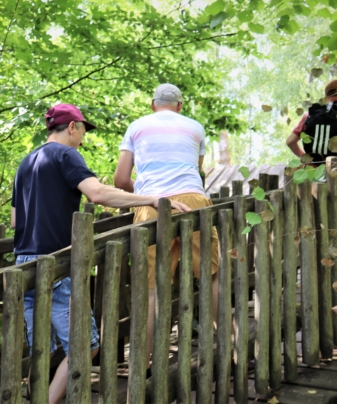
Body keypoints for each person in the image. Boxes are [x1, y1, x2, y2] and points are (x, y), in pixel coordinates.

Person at [11, 103, 191, 404]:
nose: (83, 138)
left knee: (43, 350)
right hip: (54, 264)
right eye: (83, 130)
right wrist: (152, 199)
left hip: (24, 263)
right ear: (72, 127)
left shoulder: (26, 162)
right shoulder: (66, 155)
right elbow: (97, 193)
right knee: (85, 346)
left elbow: (16, 221)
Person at [112, 83, 221, 368]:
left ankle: (144, 362)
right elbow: (197, 170)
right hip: (193, 201)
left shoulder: (136, 127)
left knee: (150, 288)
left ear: (153, 104)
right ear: (180, 106)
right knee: (210, 275)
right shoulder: (195, 128)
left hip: (151, 205)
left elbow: (120, 180)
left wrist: (146, 191)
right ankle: (227, 345)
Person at [286, 79, 337, 163]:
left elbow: (290, 142)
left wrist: (310, 162)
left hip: (316, 168)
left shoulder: (310, 114)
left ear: (326, 96)